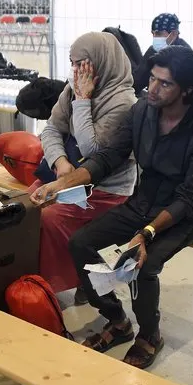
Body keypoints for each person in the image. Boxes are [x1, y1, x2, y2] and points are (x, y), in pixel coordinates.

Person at [32, 46, 193, 370]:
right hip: (141, 202)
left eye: (165, 84)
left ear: (188, 90)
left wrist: (146, 233)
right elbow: (108, 157)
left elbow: (191, 196)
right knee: (81, 244)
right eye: (151, 78)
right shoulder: (142, 111)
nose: (152, 88)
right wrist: (60, 184)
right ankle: (117, 321)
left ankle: (150, 335)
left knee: (144, 266)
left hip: (181, 216)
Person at [34, 32, 138, 304]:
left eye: (84, 64)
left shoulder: (123, 102)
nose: (77, 71)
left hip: (106, 189)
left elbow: (93, 151)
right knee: (27, 206)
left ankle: (67, 280)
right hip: (70, 177)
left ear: (102, 63)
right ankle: (41, 275)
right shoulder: (72, 88)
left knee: (50, 217)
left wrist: (82, 102)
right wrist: (60, 162)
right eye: (73, 63)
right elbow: (51, 129)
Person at [133, 13, 193, 104]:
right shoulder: (154, 50)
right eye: (153, 33)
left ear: (174, 34)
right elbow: (138, 80)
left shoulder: (185, 57)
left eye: (159, 34)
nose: (155, 37)